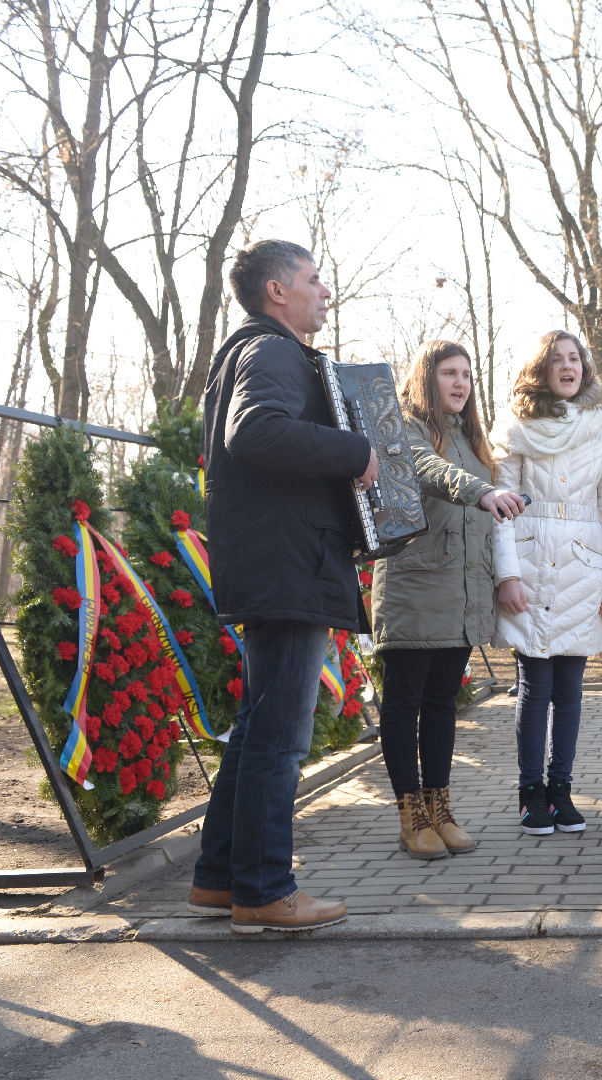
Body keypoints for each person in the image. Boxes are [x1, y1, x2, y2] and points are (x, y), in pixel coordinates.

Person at [192, 239, 378, 932]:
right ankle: (266, 891)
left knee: (256, 731)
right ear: (278, 291)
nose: (324, 290)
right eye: (314, 279)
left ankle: (219, 879)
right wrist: (356, 451)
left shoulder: (258, 350)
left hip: (277, 561)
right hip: (288, 566)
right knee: (279, 738)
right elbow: (258, 432)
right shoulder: (270, 351)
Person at [369, 340, 525, 859]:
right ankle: (410, 813)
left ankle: (439, 808)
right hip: (414, 585)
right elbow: (422, 467)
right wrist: (480, 492)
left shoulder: (472, 439)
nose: (460, 383)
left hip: (461, 592)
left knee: (441, 704)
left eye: (466, 375)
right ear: (426, 378)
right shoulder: (406, 428)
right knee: (403, 704)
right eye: (448, 373)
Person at [491, 330, 602, 835]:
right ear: (541, 370)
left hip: (584, 565)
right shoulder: (517, 426)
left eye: (576, 359)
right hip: (528, 562)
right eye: (557, 360)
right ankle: (531, 793)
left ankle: (562, 787)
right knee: (534, 685)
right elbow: (501, 507)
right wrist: (506, 575)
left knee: (571, 688)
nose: (568, 367)